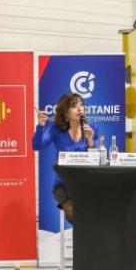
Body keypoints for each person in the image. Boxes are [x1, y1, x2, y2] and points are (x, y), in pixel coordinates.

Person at [32, 93, 96, 222]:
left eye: (81, 105)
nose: (79, 109)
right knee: (75, 214)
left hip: (86, 184)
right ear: (66, 114)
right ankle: (85, 239)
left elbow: (99, 160)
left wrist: (91, 142)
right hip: (63, 185)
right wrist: (40, 126)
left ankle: (88, 239)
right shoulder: (56, 130)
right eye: (74, 106)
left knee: (93, 211)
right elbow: (37, 145)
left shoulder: (92, 129)